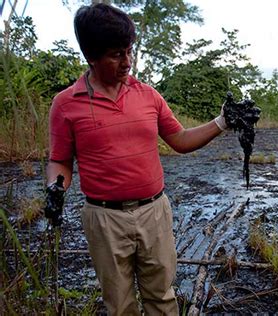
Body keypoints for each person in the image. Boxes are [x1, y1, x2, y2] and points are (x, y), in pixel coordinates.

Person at [45, 3, 228, 315]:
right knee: (119, 305)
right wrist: (55, 189)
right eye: (116, 54)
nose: (127, 62)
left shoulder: (148, 95)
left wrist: (221, 122)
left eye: (129, 51)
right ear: (91, 57)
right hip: (104, 220)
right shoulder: (65, 104)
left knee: (162, 298)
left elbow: (180, 140)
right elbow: (60, 160)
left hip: (154, 212)